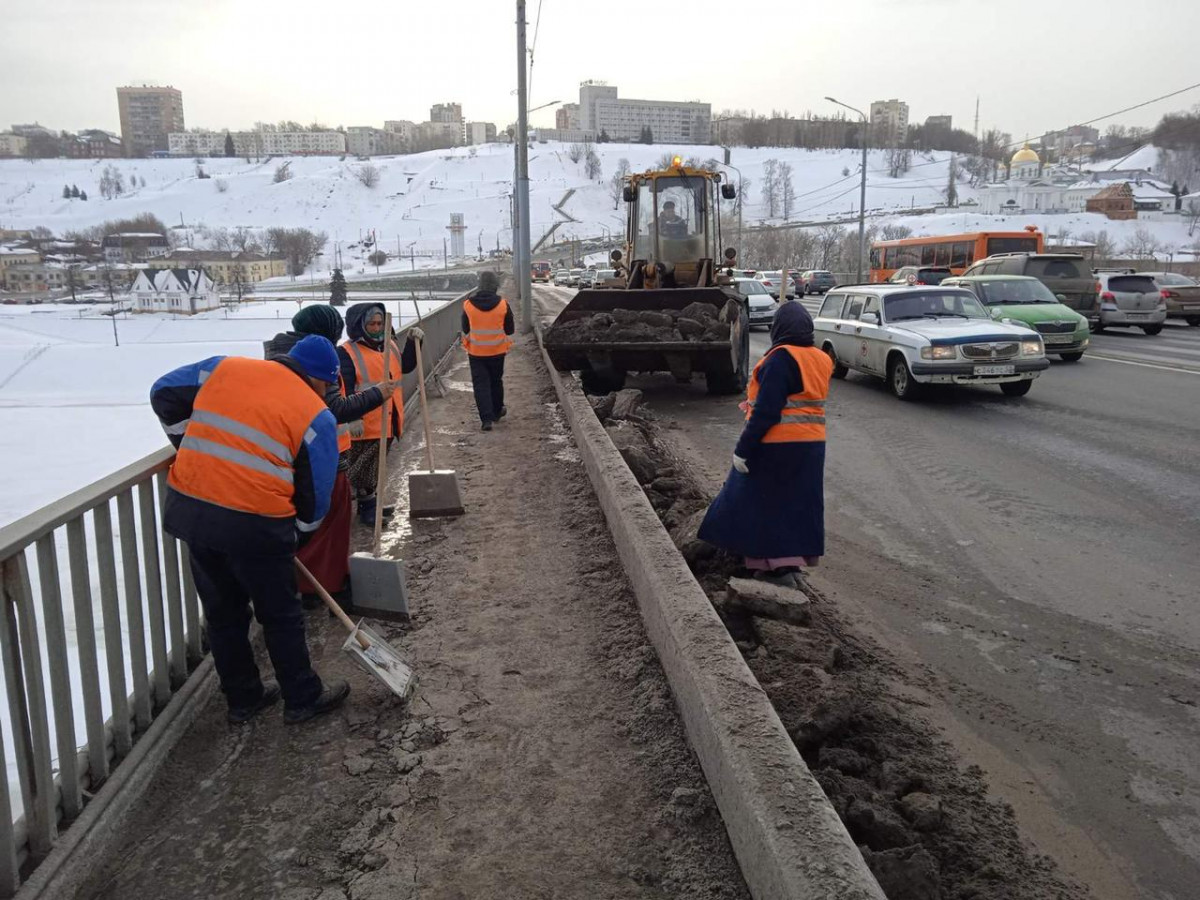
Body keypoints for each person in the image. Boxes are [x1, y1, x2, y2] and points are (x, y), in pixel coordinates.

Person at [150, 336, 350, 724]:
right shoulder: (316, 415)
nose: (326, 393)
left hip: (194, 511)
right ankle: (301, 698)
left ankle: (243, 699)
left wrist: (185, 442)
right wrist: (297, 536)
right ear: (320, 380)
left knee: (223, 613)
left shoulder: (225, 368)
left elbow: (163, 391)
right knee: (280, 615)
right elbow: (315, 499)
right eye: (327, 385)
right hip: (255, 523)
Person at [265, 305, 405, 608]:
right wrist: (374, 396)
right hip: (323, 455)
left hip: (294, 456)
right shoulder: (316, 358)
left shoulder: (280, 356)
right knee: (328, 526)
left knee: (314, 526)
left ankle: (315, 587)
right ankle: (325, 587)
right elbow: (333, 408)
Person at [697, 302, 833, 588]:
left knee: (753, 499)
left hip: (776, 445)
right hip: (811, 446)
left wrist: (744, 449)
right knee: (796, 503)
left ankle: (770, 566)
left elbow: (767, 411)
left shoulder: (780, 359)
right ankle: (788, 562)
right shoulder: (821, 358)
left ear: (778, 329)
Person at [337, 303, 421, 526]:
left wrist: (414, 343)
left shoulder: (389, 345)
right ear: (359, 326)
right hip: (366, 423)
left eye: (380, 323)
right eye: (371, 324)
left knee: (376, 466)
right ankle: (367, 508)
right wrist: (352, 417)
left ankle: (371, 503)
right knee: (364, 469)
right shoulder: (347, 352)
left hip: (390, 417)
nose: (376, 328)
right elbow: (344, 386)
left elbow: (406, 366)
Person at [462, 270, 515, 431]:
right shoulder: (503, 304)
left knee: (480, 385)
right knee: (495, 381)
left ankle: (486, 420)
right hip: (497, 351)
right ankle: (497, 411)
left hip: (476, 352)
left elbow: (465, 328)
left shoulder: (468, 305)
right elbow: (510, 330)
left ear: (480, 285)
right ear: (495, 286)